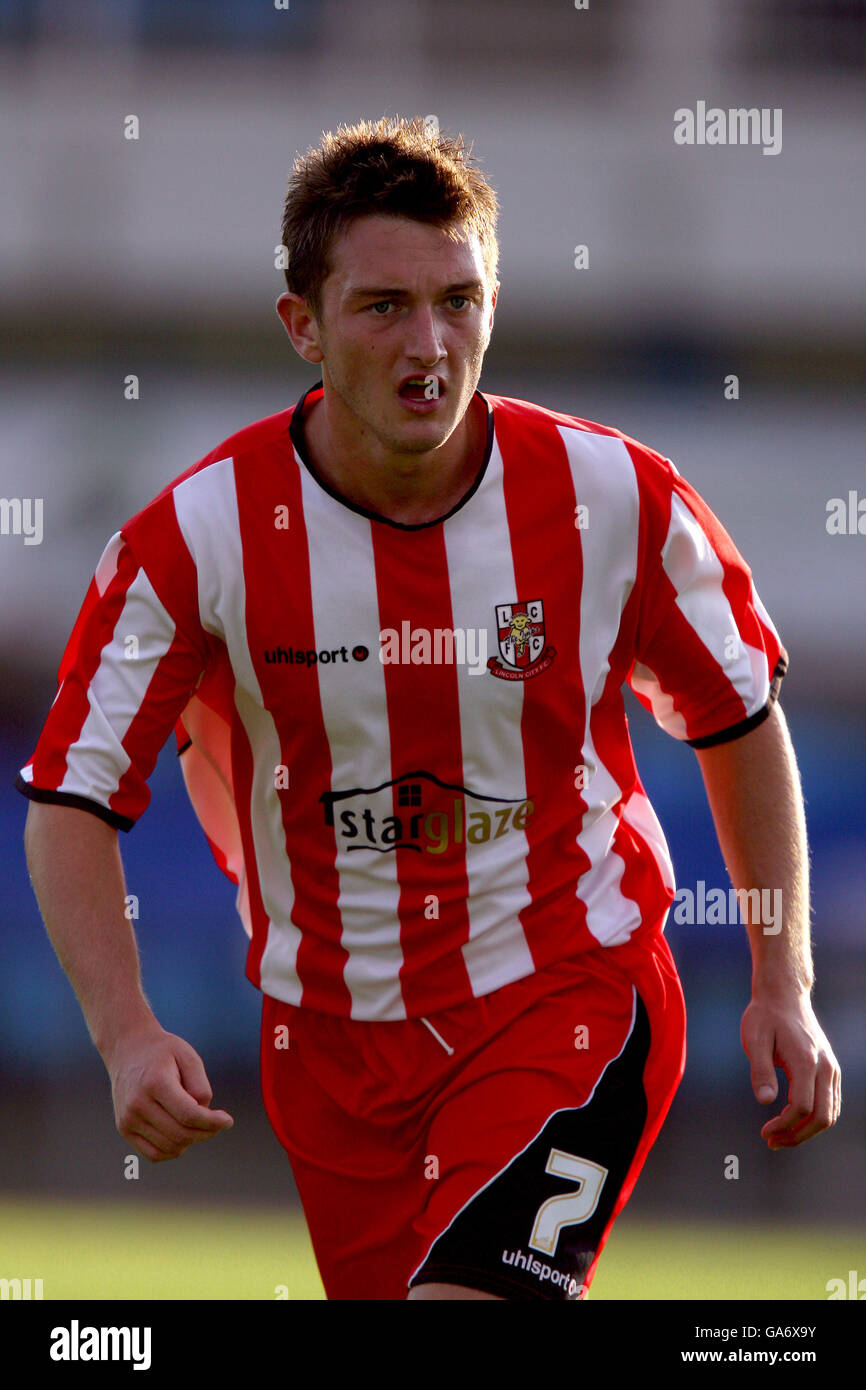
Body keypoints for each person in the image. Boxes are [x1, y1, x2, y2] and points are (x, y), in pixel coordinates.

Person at [18, 116, 840, 1302]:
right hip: (330, 1052)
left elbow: (738, 715)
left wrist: (781, 978)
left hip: (569, 989)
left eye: (459, 300)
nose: (430, 344)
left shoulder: (610, 500)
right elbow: (69, 796)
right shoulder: (195, 542)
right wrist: (125, 1031)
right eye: (383, 306)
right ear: (302, 326)